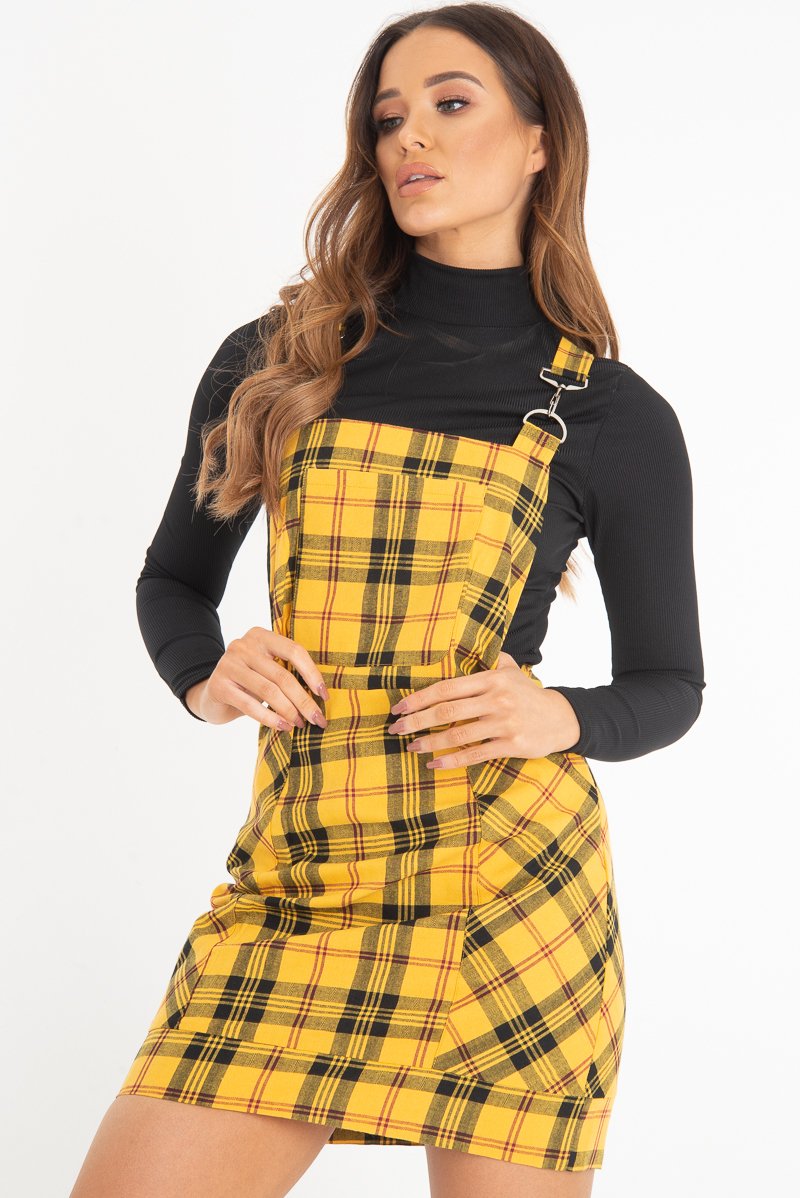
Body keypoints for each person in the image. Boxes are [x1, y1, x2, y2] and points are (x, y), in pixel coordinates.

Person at [70, 6, 705, 1197]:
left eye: (450, 104)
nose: (409, 136)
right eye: (387, 117)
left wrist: (558, 714)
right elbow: (174, 581)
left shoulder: (609, 415)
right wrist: (205, 673)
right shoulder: (278, 356)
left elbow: (670, 686)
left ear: (539, 144)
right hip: (300, 877)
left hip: (508, 893)